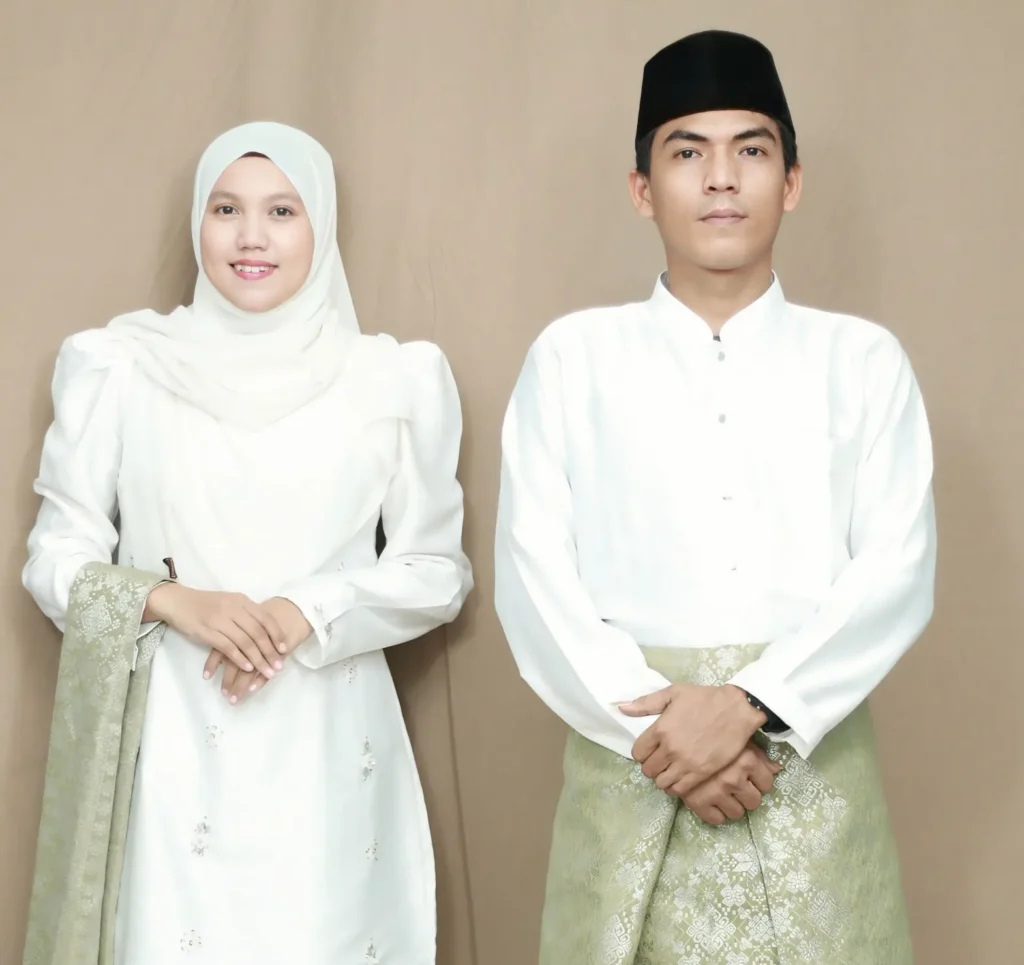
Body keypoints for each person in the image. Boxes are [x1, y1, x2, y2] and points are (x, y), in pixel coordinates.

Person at [494, 29, 934, 965]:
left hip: (806, 770)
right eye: (688, 152)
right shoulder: (572, 359)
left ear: (792, 180)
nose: (722, 178)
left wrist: (754, 702)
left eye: (752, 150)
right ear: (642, 188)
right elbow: (533, 576)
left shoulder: (862, 362)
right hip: (631, 767)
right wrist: (670, 734)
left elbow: (897, 568)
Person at [22, 121, 472, 965]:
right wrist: (172, 600)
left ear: (321, 225)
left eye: (282, 211)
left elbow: (435, 571)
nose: (251, 236)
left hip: (328, 745)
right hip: (174, 742)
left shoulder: (391, 378)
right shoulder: (121, 366)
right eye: (226, 209)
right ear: (199, 220)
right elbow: (54, 558)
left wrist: (307, 607)